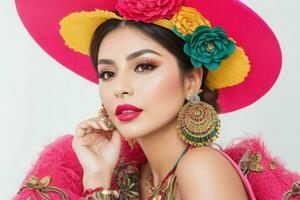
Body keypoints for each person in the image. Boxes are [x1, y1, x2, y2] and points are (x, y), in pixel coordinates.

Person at [14, 0, 300, 199]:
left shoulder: (201, 167)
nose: (120, 88)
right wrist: (98, 180)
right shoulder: (138, 175)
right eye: (108, 73)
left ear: (192, 79)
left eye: (144, 66)